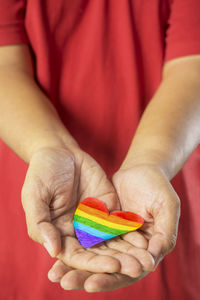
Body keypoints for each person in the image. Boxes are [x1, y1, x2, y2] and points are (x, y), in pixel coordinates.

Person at [0, 0, 199, 299]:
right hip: (41, 178)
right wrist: (50, 147)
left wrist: (150, 162)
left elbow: (192, 68)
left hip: (163, 174)